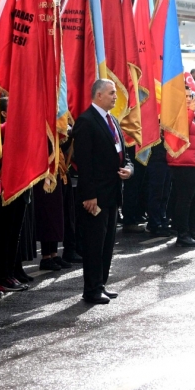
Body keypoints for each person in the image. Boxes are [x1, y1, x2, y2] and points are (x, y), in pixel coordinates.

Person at [72, 79, 133, 304]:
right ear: (98, 95)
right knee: (94, 245)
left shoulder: (112, 120)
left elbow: (125, 155)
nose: (115, 96)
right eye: (111, 93)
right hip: (96, 196)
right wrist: (89, 195)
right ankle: (91, 289)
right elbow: (84, 163)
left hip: (113, 193)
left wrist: (129, 169)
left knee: (107, 244)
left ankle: (101, 284)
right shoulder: (86, 121)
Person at [167, 90, 195, 247]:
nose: (188, 98)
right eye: (185, 96)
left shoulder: (193, 113)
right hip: (184, 163)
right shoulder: (174, 113)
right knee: (185, 200)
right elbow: (180, 131)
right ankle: (183, 234)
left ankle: (194, 232)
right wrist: (191, 111)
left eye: (190, 96)